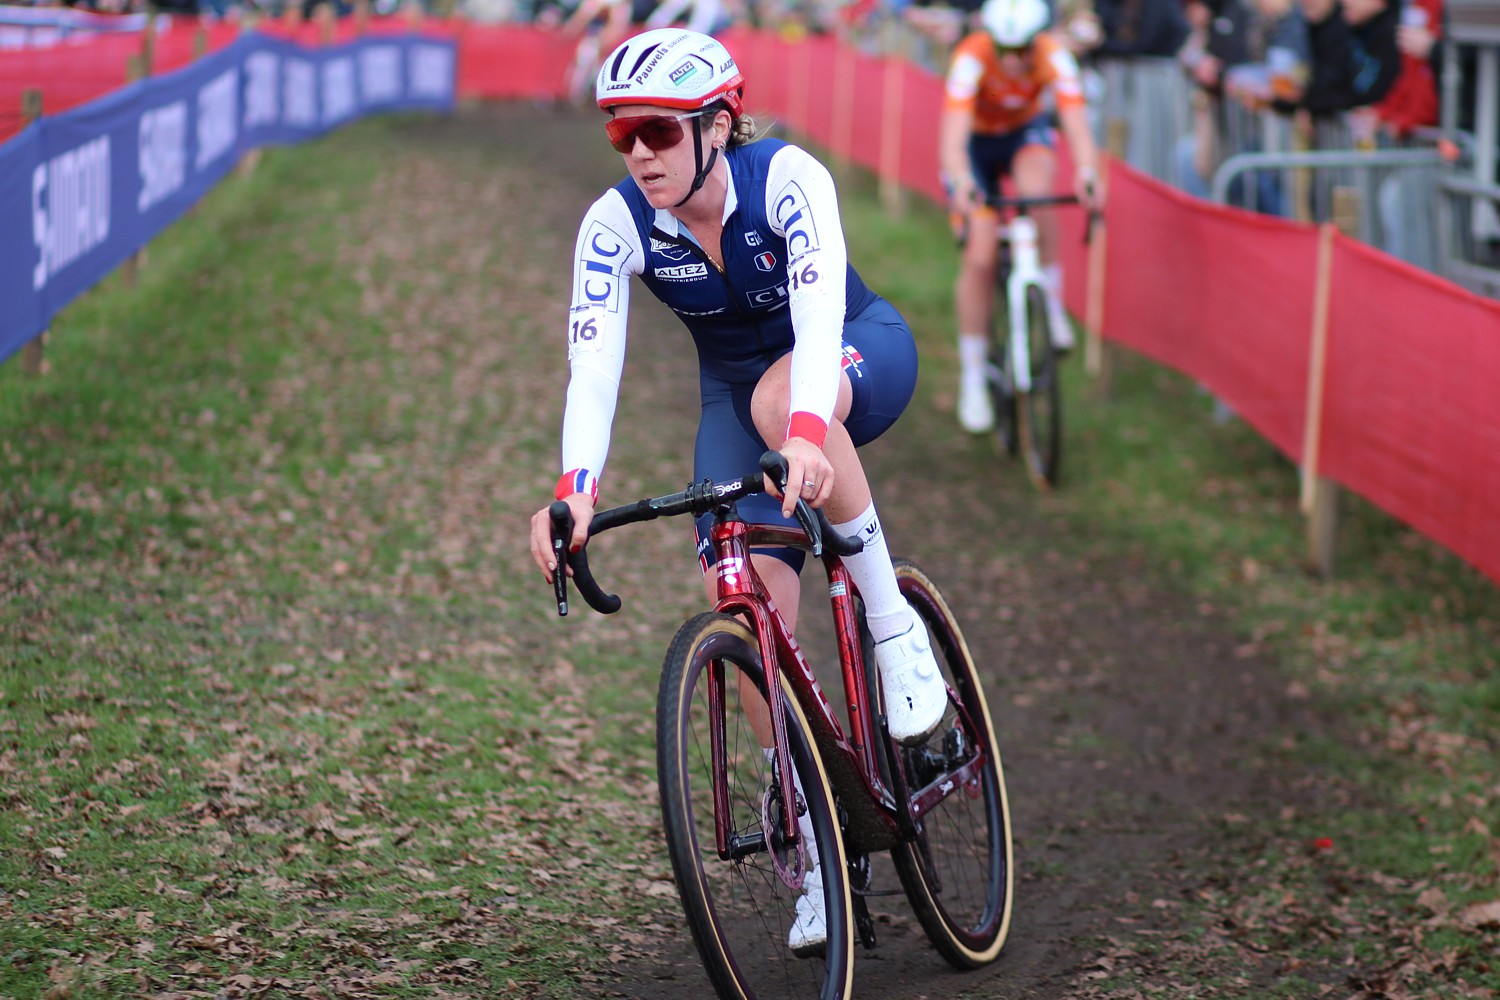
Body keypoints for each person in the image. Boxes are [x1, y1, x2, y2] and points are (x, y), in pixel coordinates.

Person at [526, 27, 947, 955]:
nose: (640, 153)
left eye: (659, 131)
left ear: (718, 124)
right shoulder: (614, 224)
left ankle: (894, 628)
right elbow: (593, 367)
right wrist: (575, 492)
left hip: (852, 351)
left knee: (775, 402)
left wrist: (805, 431)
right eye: (622, 134)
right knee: (749, 608)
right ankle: (815, 842)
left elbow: (817, 310)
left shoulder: (788, 178)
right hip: (735, 399)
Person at [939, 0, 1101, 435]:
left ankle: (1051, 300)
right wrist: (962, 182)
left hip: (1022, 134)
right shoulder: (971, 57)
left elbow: (1076, 123)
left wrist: (1087, 172)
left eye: (1022, 49)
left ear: (1038, 40)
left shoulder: (1054, 55)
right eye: (1004, 49)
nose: (1012, 60)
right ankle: (973, 377)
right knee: (981, 255)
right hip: (973, 146)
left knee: (1038, 192)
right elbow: (952, 143)